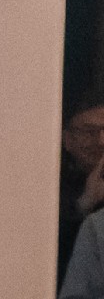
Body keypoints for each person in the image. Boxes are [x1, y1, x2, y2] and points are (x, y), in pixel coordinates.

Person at [60, 96, 104, 284]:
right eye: (89, 131)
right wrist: (85, 203)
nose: (101, 141)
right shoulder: (49, 186)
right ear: (67, 140)